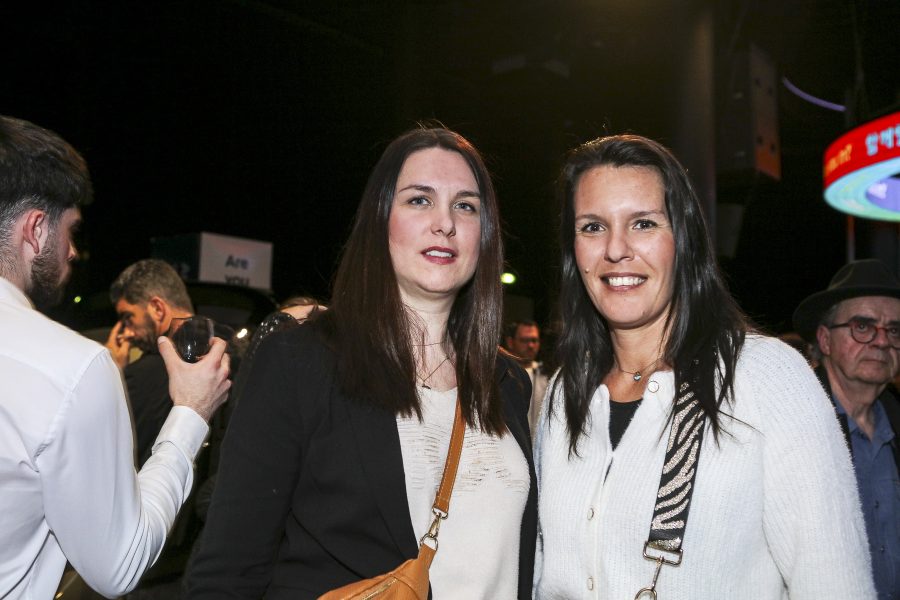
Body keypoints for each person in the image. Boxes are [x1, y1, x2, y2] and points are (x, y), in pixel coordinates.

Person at [185, 127, 537, 599]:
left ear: (485, 234)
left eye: (466, 206)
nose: (445, 223)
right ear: (380, 218)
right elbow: (228, 571)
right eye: (419, 200)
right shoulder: (302, 362)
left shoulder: (508, 382)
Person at [532, 134, 874, 598]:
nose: (615, 249)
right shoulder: (563, 392)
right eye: (592, 227)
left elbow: (836, 585)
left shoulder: (765, 377)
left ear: (684, 239)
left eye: (643, 223)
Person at [0, 114, 231, 598]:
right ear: (36, 230)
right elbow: (120, 564)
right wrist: (191, 411)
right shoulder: (70, 368)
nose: (72, 252)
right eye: (71, 231)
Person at [793, 258, 900, 600]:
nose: (882, 341)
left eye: (895, 330)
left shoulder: (896, 423)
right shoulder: (794, 426)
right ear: (825, 340)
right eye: (863, 326)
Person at [107, 258, 204, 466]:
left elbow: (106, 450)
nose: (127, 334)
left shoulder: (143, 375)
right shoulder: (223, 353)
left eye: (128, 318)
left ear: (158, 309)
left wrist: (111, 373)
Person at [505, 320, 549, 436]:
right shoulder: (503, 374)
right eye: (524, 340)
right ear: (510, 342)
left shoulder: (547, 374)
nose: (530, 346)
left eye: (534, 340)